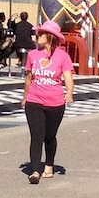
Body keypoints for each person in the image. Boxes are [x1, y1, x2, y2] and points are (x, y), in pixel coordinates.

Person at [19, 20, 74, 184]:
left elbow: (68, 77)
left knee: (49, 137)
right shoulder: (32, 55)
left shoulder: (63, 56)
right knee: (36, 136)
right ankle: (35, 170)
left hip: (55, 103)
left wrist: (69, 92)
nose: (37, 36)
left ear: (50, 37)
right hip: (34, 100)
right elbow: (29, 78)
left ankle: (49, 164)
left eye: (41, 34)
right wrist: (25, 96)